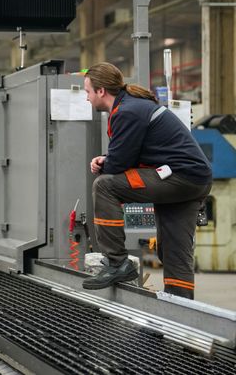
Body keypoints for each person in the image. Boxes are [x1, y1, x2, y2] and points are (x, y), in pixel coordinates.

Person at [82, 62, 212, 299]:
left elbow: (119, 164)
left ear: (101, 91)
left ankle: (116, 262)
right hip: (193, 179)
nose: (87, 98)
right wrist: (107, 159)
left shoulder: (126, 111)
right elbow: (128, 154)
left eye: (87, 91)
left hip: (180, 178)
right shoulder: (132, 106)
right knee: (174, 250)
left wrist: (103, 163)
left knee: (104, 185)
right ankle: (180, 310)